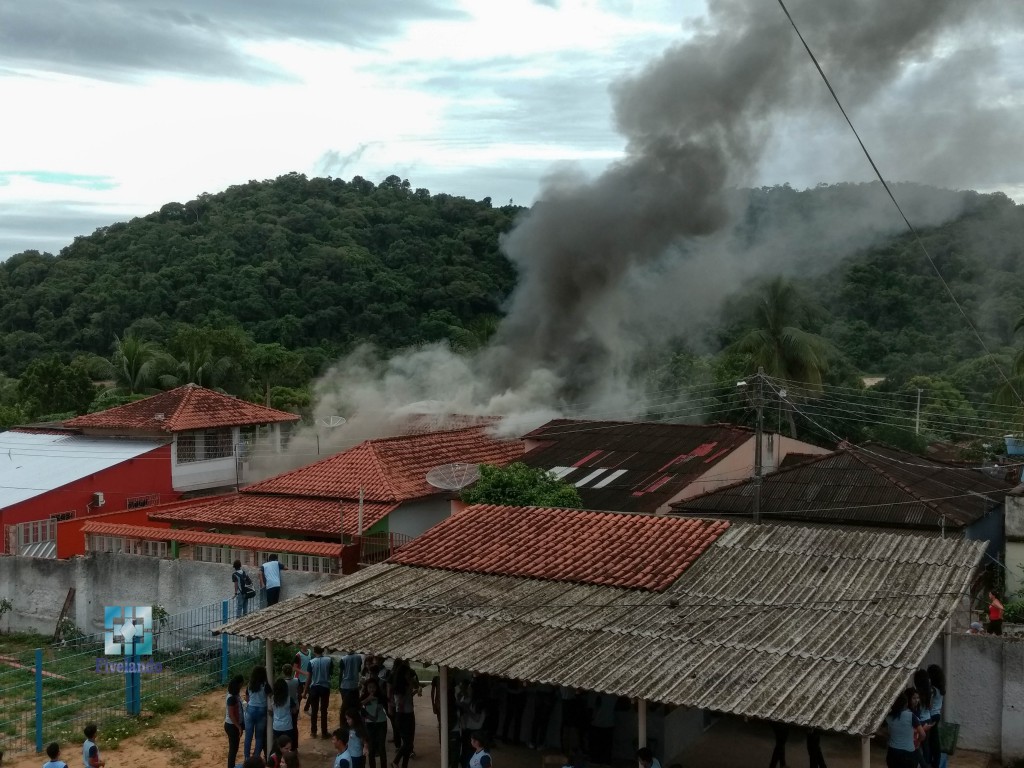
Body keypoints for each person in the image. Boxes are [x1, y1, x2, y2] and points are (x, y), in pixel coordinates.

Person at [885, 689, 923, 768]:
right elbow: (922, 734)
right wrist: (918, 742)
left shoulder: (888, 717)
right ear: (906, 703)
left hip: (892, 753)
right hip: (908, 754)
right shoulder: (911, 716)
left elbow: (881, 731)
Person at [245, 666, 273, 761]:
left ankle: (247, 758)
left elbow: (247, 698)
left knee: (248, 736)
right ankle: (256, 757)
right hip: (262, 710)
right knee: (259, 737)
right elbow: (271, 696)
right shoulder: (265, 685)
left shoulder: (250, 684)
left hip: (250, 709)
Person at [308, 647, 334, 738]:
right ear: (323, 651)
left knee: (314, 711)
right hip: (325, 687)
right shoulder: (329, 660)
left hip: (314, 688)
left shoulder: (311, 662)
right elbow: (331, 672)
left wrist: (305, 690)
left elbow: (309, 677)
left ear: (314, 651)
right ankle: (324, 733)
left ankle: (313, 732)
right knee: (323, 710)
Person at [363, 678, 389, 768]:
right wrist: (368, 699)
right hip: (369, 724)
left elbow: (388, 704)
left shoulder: (381, 696)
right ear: (366, 688)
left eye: (374, 687)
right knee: (371, 748)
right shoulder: (364, 696)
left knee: (381, 747)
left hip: (381, 723)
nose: (372, 689)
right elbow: (357, 705)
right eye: (369, 687)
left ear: (377, 688)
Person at [926, 666, 945, 768]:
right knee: (934, 739)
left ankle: (933, 761)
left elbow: (929, 704)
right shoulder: (940, 688)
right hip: (937, 714)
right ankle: (935, 760)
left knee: (931, 740)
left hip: (932, 715)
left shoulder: (932, 689)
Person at [225, 674, 245, 768]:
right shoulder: (231, 698)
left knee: (234, 749)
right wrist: (239, 727)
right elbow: (231, 715)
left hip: (232, 725)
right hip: (232, 726)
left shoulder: (233, 694)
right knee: (233, 750)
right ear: (239, 684)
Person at [282, 663, 302, 752]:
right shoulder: (297, 680)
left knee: (286, 728)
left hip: (285, 707)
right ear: (291, 671)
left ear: (283, 672)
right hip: (295, 706)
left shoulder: (282, 682)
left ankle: (285, 747)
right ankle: (294, 747)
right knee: (294, 726)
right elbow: (300, 692)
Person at [272, 678, 296, 750]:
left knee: (278, 747)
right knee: (288, 747)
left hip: (276, 726)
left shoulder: (272, 698)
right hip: (287, 726)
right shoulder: (289, 699)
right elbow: (294, 711)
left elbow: (270, 710)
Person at [340, 650, 364, 716]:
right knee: (355, 706)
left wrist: (339, 686)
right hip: (355, 685)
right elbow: (359, 669)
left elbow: (341, 674)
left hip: (345, 686)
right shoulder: (358, 657)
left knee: (345, 706)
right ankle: (354, 720)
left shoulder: (343, 659)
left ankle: (346, 720)